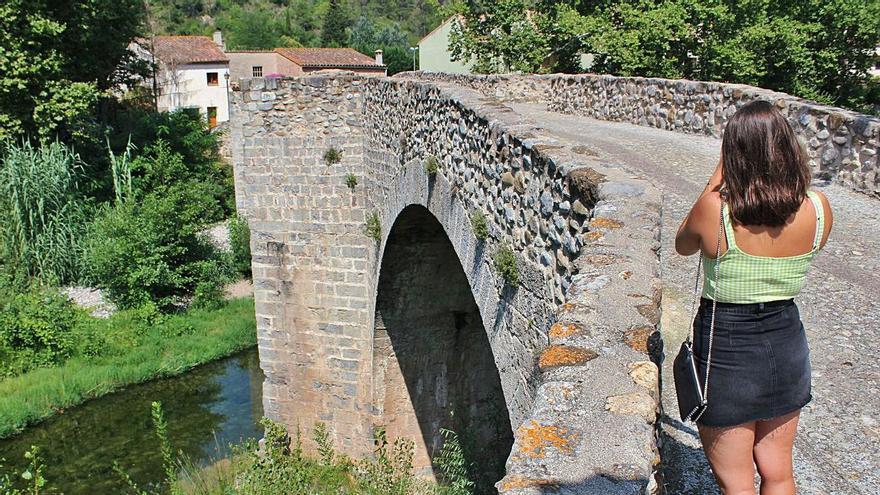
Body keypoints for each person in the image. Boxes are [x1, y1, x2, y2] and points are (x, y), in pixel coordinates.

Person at [674, 100, 833, 495]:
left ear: (733, 154)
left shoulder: (718, 210)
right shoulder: (818, 207)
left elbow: (683, 244)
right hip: (786, 343)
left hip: (728, 350)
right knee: (779, 472)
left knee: (736, 484)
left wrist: (718, 174)